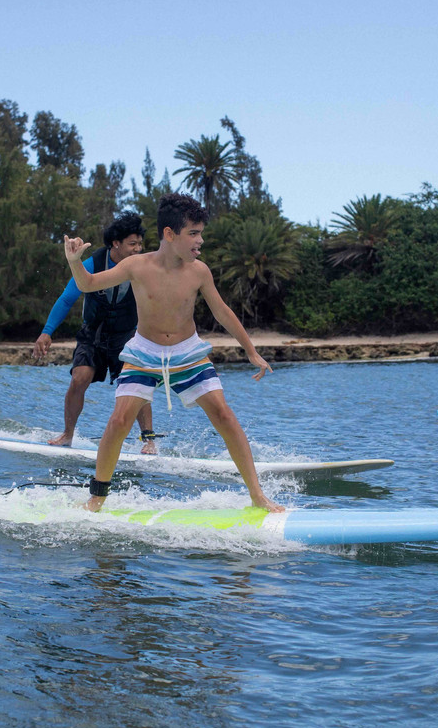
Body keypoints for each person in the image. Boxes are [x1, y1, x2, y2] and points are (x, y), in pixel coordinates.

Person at [62, 192, 285, 513]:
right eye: (193, 233)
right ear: (170, 234)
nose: (201, 240)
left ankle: (258, 496)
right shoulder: (137, 266)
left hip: (188, 352)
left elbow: (222, 311)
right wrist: (73, 262)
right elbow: (88, 284)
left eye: (201, 233)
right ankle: (96, 499)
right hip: (144, 351)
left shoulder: (199, 271)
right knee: (119, 421)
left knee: (223, 415)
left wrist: (251, 351)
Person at [32, 212, 158, 454]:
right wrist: (47, 332)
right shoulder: (93, 264)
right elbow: (67, 298)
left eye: (140, 244)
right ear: (116, 243)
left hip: (126, 335)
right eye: (132, 244)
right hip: (93, 333)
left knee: (137, 382)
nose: (138, 249)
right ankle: (68, 435)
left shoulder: (143, 268)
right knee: (79, 377)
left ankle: (148, 440)